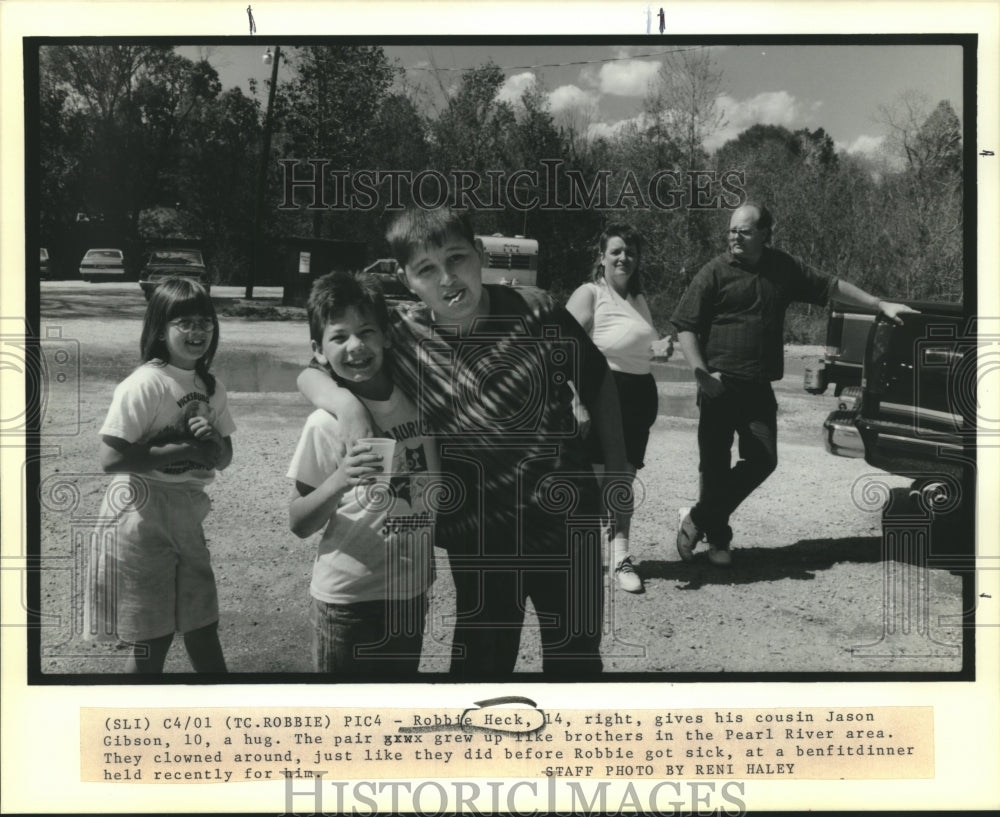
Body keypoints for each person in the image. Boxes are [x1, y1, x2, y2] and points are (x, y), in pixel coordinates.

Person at [298, 207, 630, 679]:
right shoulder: (403, 336)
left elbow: (597, 382)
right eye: (427, 270)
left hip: (566, 524)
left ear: (479, 255)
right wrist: (344, 404)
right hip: (480, 536)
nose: (448, 278)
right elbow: (313, 369)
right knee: (482, 661)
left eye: (457, 258)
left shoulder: (538, 311)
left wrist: (616, 470)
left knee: (576, 656)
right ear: (407, 278)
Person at [671, 202, 919, 566]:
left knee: (763, 460)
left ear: (765, 234)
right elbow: (686, 325)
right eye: (730, 230)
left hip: (757, 387)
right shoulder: (714, 272)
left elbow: (831, 286)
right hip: (719, 386)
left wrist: (879, 304)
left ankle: (697, 518)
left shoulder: (782, 268)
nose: (733, 237)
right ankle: (718, 538)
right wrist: (700, 373)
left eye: (743, 230)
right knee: (714, 465)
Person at [287, 271, 438, 677]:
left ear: (387, 336)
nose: (355, 347)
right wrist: (340, 480)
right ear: (318, 351)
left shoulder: (419, 399)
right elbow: (299, 521)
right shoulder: (324, 424)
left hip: (409, 596)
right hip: (347, 603)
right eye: (339, 337)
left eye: (366, 332)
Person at [84, 278, 234, 673]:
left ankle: (228, 712)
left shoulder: (212, 387)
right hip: (141, 514)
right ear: (159, 330)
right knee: (153, 637)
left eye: (204, 321)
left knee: (203, 625)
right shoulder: (145, 383)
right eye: (184, 322)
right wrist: (188, 448)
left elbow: (224, 458)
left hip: (187, 513)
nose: (197, 331)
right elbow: (111, 458)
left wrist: (214, 442)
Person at [566, 223, 671, 593]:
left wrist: (660, 349)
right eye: (616, 251)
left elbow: (640, 347)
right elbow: (561, 348)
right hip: (599, 394)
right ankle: (576, 555)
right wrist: (576, 400)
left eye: (630, 252)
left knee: (622, 481)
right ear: (602, 257)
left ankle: (621, 557)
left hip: (638, 397)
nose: (624, 257)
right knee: (592, 482)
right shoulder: (590, 293)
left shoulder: (639, 300)